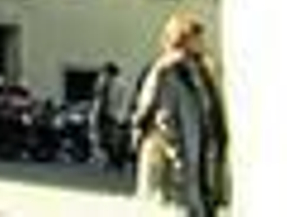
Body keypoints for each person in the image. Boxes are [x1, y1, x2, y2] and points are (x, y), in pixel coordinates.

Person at [131, 13, 229, 216]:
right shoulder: (168, 69)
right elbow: (157, 112)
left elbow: (211, 108)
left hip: (199, 149)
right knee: (180, 204)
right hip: (176, 151)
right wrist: (173, 150)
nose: (203, 42)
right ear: (184, 37)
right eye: (198, 37)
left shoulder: (200, 68)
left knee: (201, 203)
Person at [90, 60, 131, 170]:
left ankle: (115, 161)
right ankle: (111, 161)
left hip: (113, 115)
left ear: (109, 72)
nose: (103, 74)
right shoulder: (108, 81)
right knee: (107, 138)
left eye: (105, 72)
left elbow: (121, 100)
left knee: (111, 139)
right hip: (110, 114)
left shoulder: (118, 83)